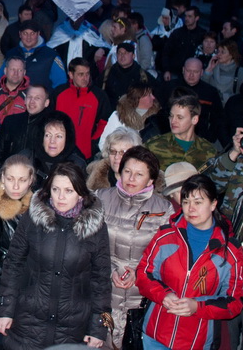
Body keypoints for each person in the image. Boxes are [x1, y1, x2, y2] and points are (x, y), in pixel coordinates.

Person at [0, 162, 111, 349]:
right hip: (28, 322)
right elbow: (13, 265)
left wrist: (99, 327)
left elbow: (102, 280)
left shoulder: (95, 227)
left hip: (72, 327)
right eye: (56, 189)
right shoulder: (33, 218)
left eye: (69, 191)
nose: (61, 197)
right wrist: (5, 310)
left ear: (81, 193)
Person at [136, 175, 243, 350]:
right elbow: (143, 274)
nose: (191, 208)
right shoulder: (166, 236)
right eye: (186, 202)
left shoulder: (230, 251)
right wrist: (164, 295)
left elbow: (234, 302)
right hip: (156, 334)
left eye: (198, 202)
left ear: (213, 204)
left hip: (197, 340)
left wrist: (197, 306)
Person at [95, 146, 171, 349]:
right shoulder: (100, 198)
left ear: (151, 180)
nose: (131, 178)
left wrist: (139, 272)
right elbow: (89, 245)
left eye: (139, 174)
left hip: (141, 296)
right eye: (127, 171)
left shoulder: (164, 208)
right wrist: (110, 270)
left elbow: (166, 255)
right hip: (103, 290)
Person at [0, 155, 35, 350]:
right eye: (11, 179)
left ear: (31, 180)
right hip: (0, 297)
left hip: (33, 298)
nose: (16, 186)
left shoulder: (38, 212)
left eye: (22, 180)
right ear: (2, 178)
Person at [52, 57, 112, 159]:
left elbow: (105, 123)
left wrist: (93, 143)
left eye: (87, 74)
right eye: (81, 74)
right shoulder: (58, 93)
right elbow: (49, 120)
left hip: (87, 154)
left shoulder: (99, 96)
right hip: (59, 151)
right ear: (71, 75)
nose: (85, 78)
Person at [156, 57, 225, 144]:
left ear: (201, 72)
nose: (191, 75)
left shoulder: (210, 92)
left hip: (199, 139)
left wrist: (208, 139)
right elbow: (158, 112)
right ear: (183, 70)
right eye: (189, 71)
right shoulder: (168, 88)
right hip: (169, 136)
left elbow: (218, 118)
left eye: (195, 72)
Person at [144, 95, 216, 171]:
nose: (173, 121)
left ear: (194, 119)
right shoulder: (153, 146)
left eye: (180, 117)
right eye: (171, 116)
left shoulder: (208, 150)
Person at [0, 84, 50, 167]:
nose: (32, 101)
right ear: (25, 100)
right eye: (29, 97)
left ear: (46, 103)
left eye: (37, 98)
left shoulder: (50, 125)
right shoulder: (10, 121)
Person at [0, 20, 66, 89]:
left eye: (32, 33)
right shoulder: (11, 54)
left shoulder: (50, 56)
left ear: (38, 34)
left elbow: (61, 85)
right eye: (25, 33)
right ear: (20, 34)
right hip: (14, 99)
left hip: (41, 99)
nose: (28, 37)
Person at [25, 110, 86, 188]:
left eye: (59, 136)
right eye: (48, 135)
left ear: (67, 139)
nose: (52, 141)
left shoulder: (77, 164)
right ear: (41, 137)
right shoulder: (27, 158)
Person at [98, 82, 160, 148]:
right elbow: (103, 143)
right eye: (149, 95)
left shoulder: (158, 117)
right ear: (138, 98)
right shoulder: (118, 116)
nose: (153, 97)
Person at [101, 41, 154, 106]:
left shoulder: (142, 75)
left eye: (125, 53)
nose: (122, 56)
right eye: (119, 53)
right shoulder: (108, 73)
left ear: (133, 56)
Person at [162, 5, 205, 81]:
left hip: (192, 74)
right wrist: (166, 70)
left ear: (197, 18)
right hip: (175, 72)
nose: (186, 19)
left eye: (190, 16)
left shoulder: (202, 35)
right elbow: (166, 52)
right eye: (186, 16)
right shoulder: (177, 33)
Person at [0, 56, 28, 125]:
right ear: (5, 71)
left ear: (24, 72)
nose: (16, 73)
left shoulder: (30, 94)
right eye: (12, 69)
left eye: (20, 70)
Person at [202, 38, 243, 105]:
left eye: (223, 52)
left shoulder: (240, 72)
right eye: (218, 51)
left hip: (230, 107)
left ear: (231, 54)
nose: (219, 54)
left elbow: (242, 95)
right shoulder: (213, 68)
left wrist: (223, 97)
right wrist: (208, 70)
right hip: (212, 106)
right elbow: (203, 87)